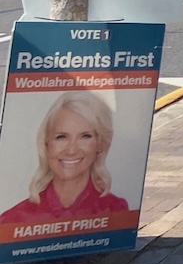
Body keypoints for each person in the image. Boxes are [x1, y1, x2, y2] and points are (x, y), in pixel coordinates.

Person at [1, 92, 129, 224]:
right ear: (46, 143)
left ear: (100, 144)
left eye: (85, 136)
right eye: (61, 137)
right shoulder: (14, 219)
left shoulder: (115, 210)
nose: (71, 150)